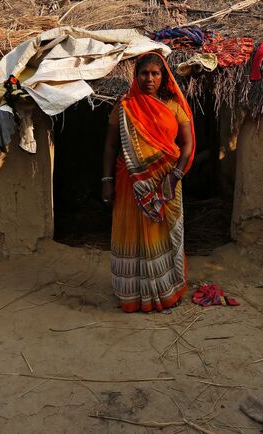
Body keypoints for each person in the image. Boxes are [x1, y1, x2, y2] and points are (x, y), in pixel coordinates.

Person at [101, 52, 195, 313]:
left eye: (155, 73)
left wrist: (175, 176)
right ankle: (134, 294)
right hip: (131, 180)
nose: (149, 78)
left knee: (164, 234)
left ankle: (166, 291)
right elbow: (110, 146)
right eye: (144, 73)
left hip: (166, 183)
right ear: (136, 75)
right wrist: (106, 180)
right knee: (132, 235)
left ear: (163, 77)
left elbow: (186, 145)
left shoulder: (174, 105)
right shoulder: (124, 107)